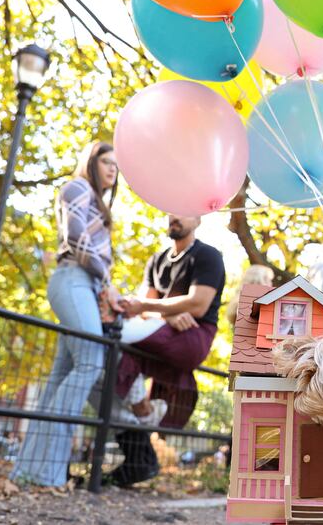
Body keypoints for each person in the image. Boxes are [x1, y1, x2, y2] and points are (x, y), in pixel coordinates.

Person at [12, 142, 121, 487]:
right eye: (106, 162)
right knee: (91, 361)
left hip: (84, 285)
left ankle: (31, 471)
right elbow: (74, 237)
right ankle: (47, 472)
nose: (113, 169)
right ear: (91, 162)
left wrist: (104, 283)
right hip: (72, 279)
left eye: (117, 165)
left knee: (62, 375)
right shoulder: (77, 187)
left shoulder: (96, 199)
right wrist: (107, 279)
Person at [106, 215, 226, 486]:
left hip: (193, 335)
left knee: (117, 334)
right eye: (171, 210)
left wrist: (152, 310)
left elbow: (197, 305)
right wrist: (167, 316)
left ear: (197, 219)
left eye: (182, 211)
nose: (174, 216)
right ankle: (144, 415)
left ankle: (146, 412)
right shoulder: (157, 260)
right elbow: (143, 309)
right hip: (160, 330)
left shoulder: (208, 255)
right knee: (111, 353)